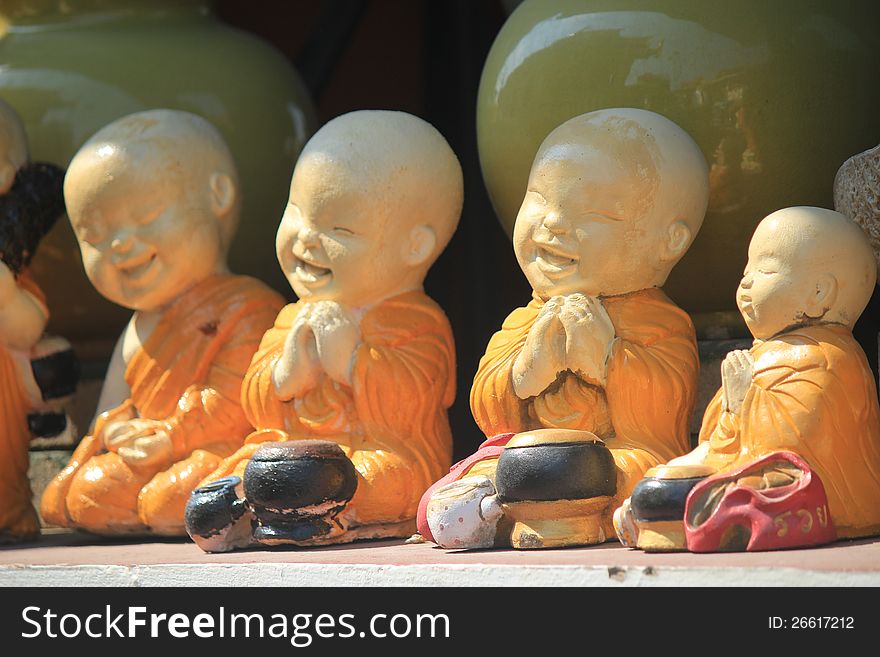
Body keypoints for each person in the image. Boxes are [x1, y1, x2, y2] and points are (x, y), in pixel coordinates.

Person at [420, 108, 709, 548]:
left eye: (593, 213)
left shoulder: (659, 320)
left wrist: (607, 361)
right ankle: (518, 502)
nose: (553, 223)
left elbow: (664, 410)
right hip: (521, 455)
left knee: (624, 476)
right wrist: (527, 370)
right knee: (487, 472)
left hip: (617, 454)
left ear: (668, 241)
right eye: (539, 199)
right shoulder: (526, 317)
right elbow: (485, 406)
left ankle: (530, 508)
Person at [186, 110, 461, 551]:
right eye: (297, 213)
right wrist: (288, 372)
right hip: (289, 453)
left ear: (415, 247)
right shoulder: (292, 316)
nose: (306, 239)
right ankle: (278, 503)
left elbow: (418, 401)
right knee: (253, 465)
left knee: (382, 479)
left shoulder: (417, 319)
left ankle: (286, 505)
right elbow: (257, 400)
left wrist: (351, 361)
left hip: (379, 454)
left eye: (339, 229)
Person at [40, 109, 284, 535]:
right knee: (85, 494)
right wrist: (118, 432)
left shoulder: (250, 307)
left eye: (147, 215)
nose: (119, 245)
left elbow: (234, 404)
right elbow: (114, 409)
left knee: (177, 498)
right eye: (95, 235)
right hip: (146, 456)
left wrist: (171, 438)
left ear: (218, 195)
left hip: (211, 449)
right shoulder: (136, 329)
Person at [618, 206, 880, 548]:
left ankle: (673, 515)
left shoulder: (829, 358)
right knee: (662, 484)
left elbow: (797, 446)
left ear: (819, 294)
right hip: (748, 470)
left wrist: (745, 400)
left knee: (673, 494)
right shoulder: (759, 354)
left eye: (765, 269)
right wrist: (732, 410)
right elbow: (719, 442)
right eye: (747, 268)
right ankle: (666, 512)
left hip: (804, 487)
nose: (746, 280)